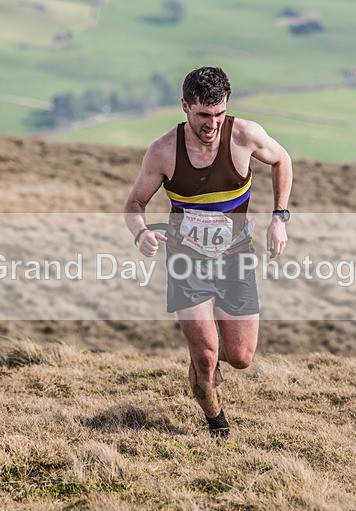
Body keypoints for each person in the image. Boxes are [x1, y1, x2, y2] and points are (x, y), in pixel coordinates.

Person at [124, 66, 293, 438]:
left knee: (240, 357)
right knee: (206, 356)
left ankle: (206, 352)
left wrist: (279, 218)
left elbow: (282, 160)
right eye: (203, 114)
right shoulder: (163, 152)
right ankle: (218, 426)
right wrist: (141, 234)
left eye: (219, 114)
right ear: (185, 106)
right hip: (186, 262)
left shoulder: (245, 136)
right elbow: (134, 204)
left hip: (236, 258)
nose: (212, 124)